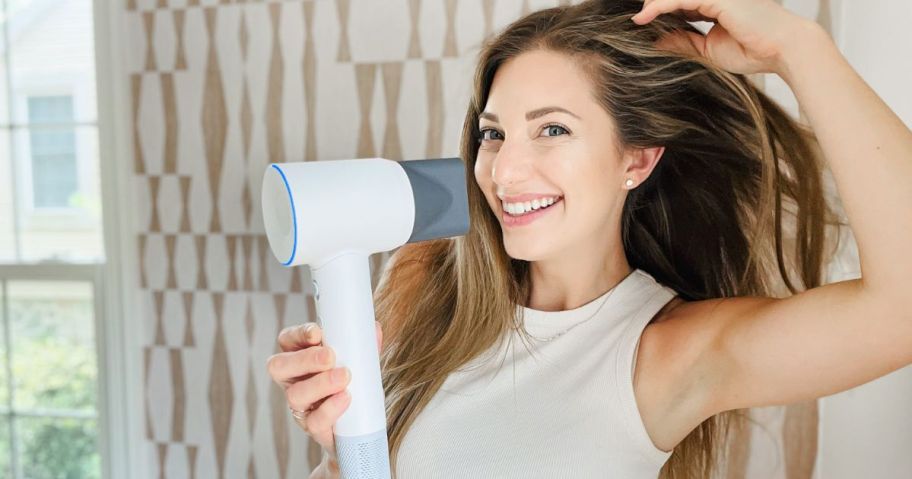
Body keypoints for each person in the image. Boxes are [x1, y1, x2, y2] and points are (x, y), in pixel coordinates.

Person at [267, 0, 912, 477]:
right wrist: (344, 441)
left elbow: (901, 311)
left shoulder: (666, 354)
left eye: (553, 130)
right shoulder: (429, 278)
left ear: (636, 160)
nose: (505, 172)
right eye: (494, 133)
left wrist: (800, 49)